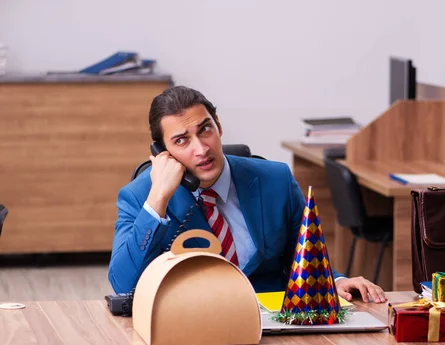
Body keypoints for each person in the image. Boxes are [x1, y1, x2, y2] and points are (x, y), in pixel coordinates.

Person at [108, 86, 387, 304]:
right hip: (193, 324)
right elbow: (123, 284)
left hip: (274, 324)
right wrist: (158, 199)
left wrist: (335, 281)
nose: (201, 149)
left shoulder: (276, 180)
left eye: (205, 130)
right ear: (162, 152)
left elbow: (303, 259)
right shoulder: (141, 196)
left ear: (218, 125)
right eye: (182, 140)